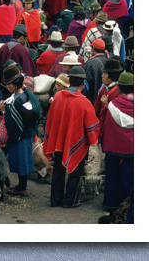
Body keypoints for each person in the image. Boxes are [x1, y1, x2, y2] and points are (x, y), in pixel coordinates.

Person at [43, 66, 100, 208]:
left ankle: (55, 200)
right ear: (83, 83)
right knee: (75, 173)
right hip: (76, 144)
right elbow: (92, 127)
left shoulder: (58, 97)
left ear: (69, 81)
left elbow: (50, 121)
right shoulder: (85, 103)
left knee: (58, 170)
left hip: (58, 142)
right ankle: (69, 201)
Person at [0, 63, 40, 195]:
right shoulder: (24, 94)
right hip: (25, 134)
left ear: (16, 83)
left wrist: (4, 111)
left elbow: (15, 118)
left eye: (9, 83)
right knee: (23, 160)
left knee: (22, 161)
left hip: (21, 136)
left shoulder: (18, 101)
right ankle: (22, 185)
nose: (7, 86)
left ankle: (22, 187)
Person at [100, 72, 134, 212]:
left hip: (113, 147)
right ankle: (129, 204)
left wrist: (104, 105)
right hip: (132, 148)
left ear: (119, 87)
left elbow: (104, 124)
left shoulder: (112, 106)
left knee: (112, 176)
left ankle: (111, 203)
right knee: (130, 177)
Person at [94, 58, 123, 126]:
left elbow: (115, 117)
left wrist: (105, 105)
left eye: (105, 73)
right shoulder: (105, 88)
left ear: (112, 75)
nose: (102, 76)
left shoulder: (117, 92)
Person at [85, 38, 107, 103]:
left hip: (92, 99)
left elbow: (87, 84)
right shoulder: (107, 60)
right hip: (104, 97)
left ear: (93, 48)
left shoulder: (90, 63)